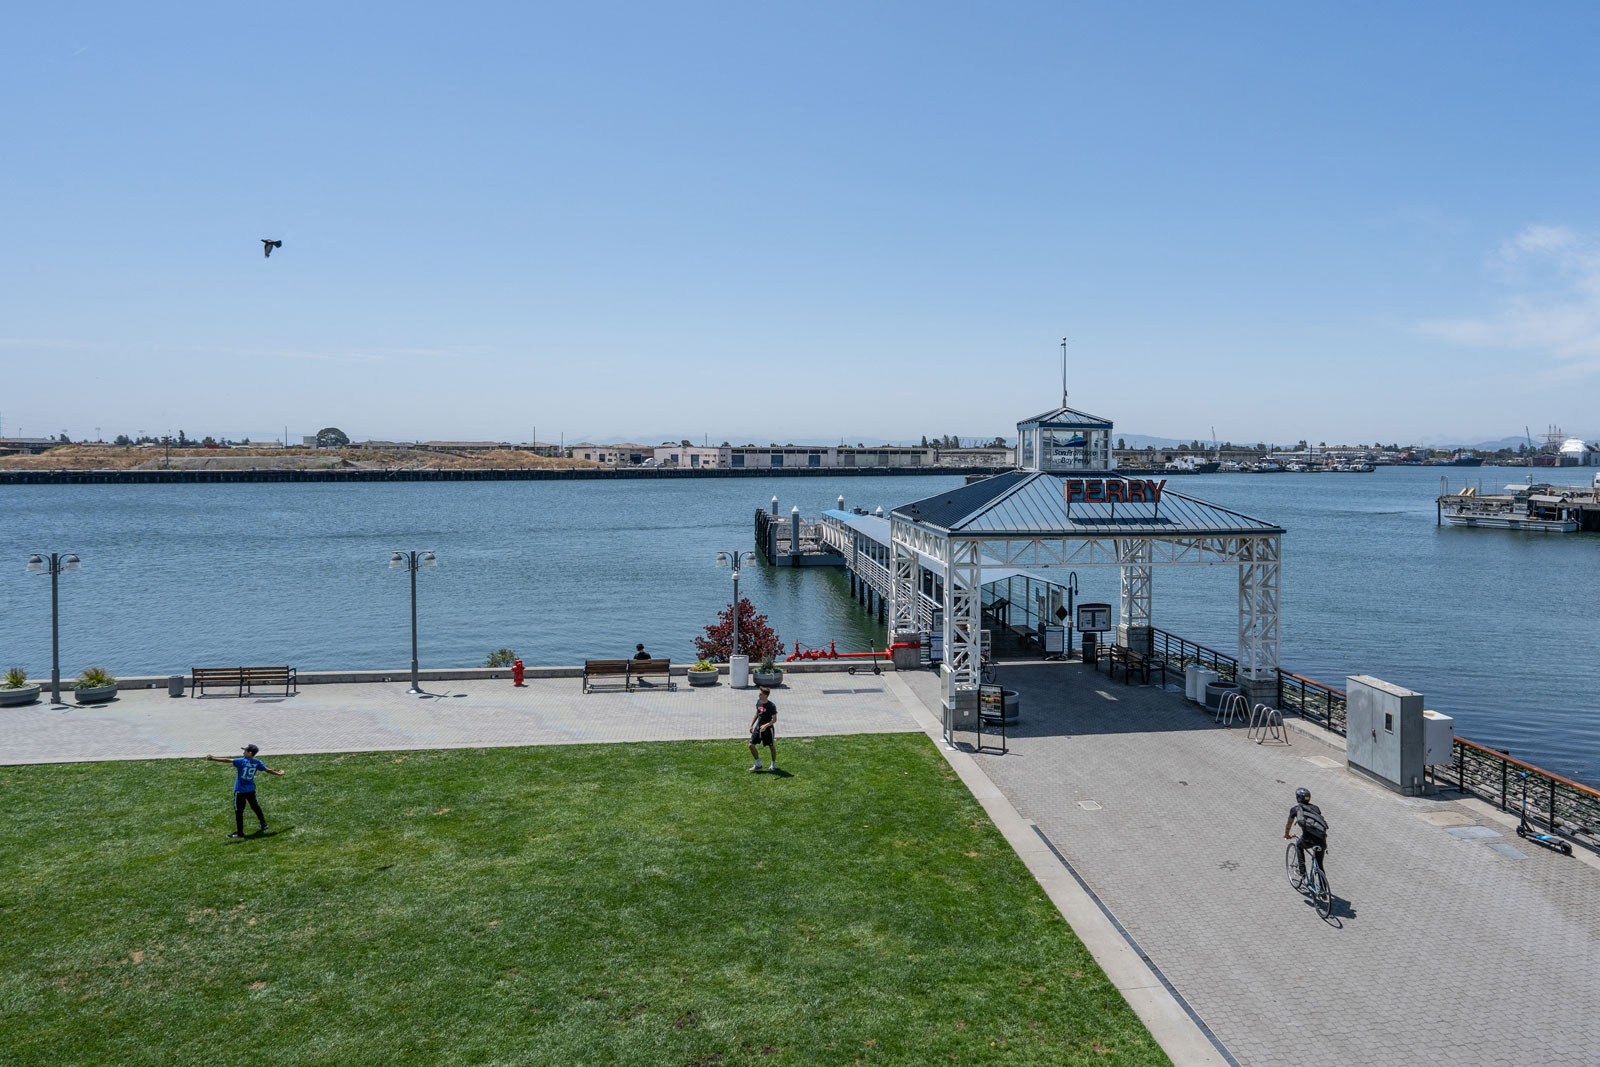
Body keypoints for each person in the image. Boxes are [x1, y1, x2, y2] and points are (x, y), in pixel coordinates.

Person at [204, 744, 284, 838]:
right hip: (251, 790)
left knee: (239, 811)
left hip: (240, 791)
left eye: (245, 751)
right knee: (255, 807)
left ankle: (240, 833)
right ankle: (263, 824)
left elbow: (227, 760)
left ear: (249, 753)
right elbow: (268, 770)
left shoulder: (241, 761)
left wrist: (213, 758)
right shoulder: (257, 763)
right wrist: (279, 773)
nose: (243, 752)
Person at [1283, 786, 1328, 876]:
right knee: (1319, 865)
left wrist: (1287, 834)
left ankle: (1302, 872)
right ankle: (1324, 889)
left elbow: (1289, 824)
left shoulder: (1295, 809)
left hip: (1308, 840)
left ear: (1298, 798)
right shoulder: (1316, 808)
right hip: (1321, 840)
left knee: (1298, 846)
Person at [748, 687, 777, 772]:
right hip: (758, 727)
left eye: (761, 694)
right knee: (751, 745)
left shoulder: (771, 706)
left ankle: (773, 765)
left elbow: (774, 720)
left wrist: (766, 725)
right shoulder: (759, 702)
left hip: (768, 729)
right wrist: (751, 725)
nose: (759, 695)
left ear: (766, 695)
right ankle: (758, 764)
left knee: (771, 746)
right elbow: (757, 713)